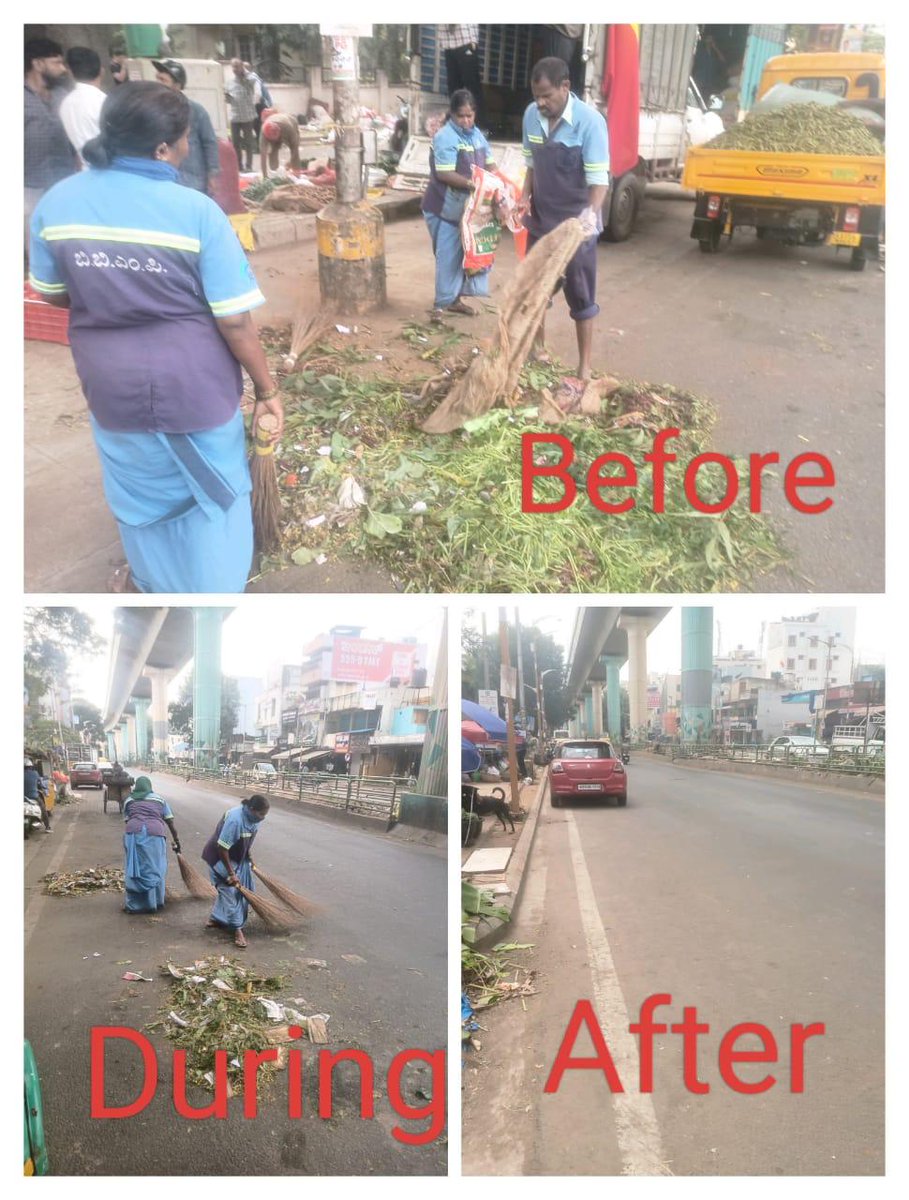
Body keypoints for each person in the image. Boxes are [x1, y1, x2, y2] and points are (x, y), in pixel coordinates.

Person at [28, 81, 282, 593]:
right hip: (194, 385)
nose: (188, 145)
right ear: (163, 148)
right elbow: (234, 321)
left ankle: (154, 584)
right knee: (215, 493)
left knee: (139, 490)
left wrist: (110, 294)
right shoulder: (196, 213)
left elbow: (53, 294)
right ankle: (215, 593)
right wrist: (268, 389)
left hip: (110, 383)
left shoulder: (57, 204)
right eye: (185, 137)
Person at [519, 56, 610, 381]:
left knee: (581, 296)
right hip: (541, 222)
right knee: (536, 289)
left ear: (565, 87)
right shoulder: (531, 116)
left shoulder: (590, 122)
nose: (541, 103)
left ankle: (584, 368)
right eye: (536, 96)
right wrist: (524, 196)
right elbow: (531, 164)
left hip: (576, 227)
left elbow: (599, 180)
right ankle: (538, 350)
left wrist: (589, 217)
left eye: (547, 96)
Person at [421, 89, 496, 319]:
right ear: (452, 114)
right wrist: (474, 184)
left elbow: (491, 165)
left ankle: (455, 300)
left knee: (467, 255)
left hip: (468, 210)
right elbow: (444, 174)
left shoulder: (477, 136)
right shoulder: (445, 137)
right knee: (447, 257)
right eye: (461, 116)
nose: (466, 121)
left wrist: (498, 184)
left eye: (469, 116)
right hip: (443, 208)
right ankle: (440, 305)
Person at [25, 38, 77, 247]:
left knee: (65, 239)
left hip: (63, 181)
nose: (63, 69)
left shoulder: (62, 96)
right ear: (38, 64)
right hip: (29, 186)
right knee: (34, 242)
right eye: (57, 63)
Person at [201, 794, 270, 948]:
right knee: (230, 892)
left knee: (244, 890)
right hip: (219, 858)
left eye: (265, 815)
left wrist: (248, 856)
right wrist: (231, 873)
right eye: (261, 814)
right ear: (252, 809)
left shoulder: (254, 820)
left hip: (237, 858)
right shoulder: (235, 820)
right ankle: (237, 929)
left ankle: (215, 918)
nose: (263, 818)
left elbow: (248, 841)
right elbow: (222, 847)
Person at [153, 58, 220, 194]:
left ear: (177, 85)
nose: (158, 84)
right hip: (164, 180)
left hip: (192, 181)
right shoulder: (152, 111)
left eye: (163, 80)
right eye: (157, 79)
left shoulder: (196, 111)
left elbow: (209, 142)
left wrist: (212, 175)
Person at [122, 776, 180, 913]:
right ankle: (156, 902)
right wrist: (176, 839)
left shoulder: (129, 800)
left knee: (136, 867)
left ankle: (135, 905)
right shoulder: (159, 799)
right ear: (149, 786)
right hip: (155, 834)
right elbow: (170, 821)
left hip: (133, 835)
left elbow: (127, 820)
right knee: (155, 866)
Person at [59, 47, 105, 163]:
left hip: (86, 169)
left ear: (70, 73)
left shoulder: (65, 104)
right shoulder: (104, 101)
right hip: (112, 168)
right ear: (102, 70)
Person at [438, 26, 485, 129]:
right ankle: (456, 127)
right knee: (453, 88)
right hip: (448, 42)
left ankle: (479, 127)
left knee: (473, 87)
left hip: (466, 40)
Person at [225, 59, 257, 171]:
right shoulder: (229, 82)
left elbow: (254, 80)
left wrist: (245, 73)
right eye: (233, 67)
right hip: (235, 117)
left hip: (247, 116)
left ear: (242, 67)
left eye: (237, 66)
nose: (235, 69)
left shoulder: (249, 79)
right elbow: (228, 100)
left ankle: (249, 166)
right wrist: (227, 97)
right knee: (235, 143)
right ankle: (239, 166)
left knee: (248, 143)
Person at [260, 111, 301, 178]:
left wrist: (291, 162)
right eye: (272, 139)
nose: (274, 140)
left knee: (294, 151)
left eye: (275, 138)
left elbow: (295, 148)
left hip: (291, 121)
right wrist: (265, 176)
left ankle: (297, 175)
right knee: (273, 151)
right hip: (273, 121)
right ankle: (274, 173)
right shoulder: (263, 132)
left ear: (279, 131)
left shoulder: (288, 128)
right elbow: (263, 155)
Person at [243, 62, 272, 138]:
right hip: (261, 104)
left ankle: (260, 141)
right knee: (257, 125)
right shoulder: (251, 77)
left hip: (261, 104)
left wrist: (252, 105)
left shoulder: (252, 78)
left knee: (258, 125)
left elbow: (258, 94)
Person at [24, 759, 52, 832]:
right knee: (43, 810)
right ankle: (47, 827)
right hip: (34, 797)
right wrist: (45, 790)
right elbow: (41, 783)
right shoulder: (35, 773)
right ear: (31, 767)